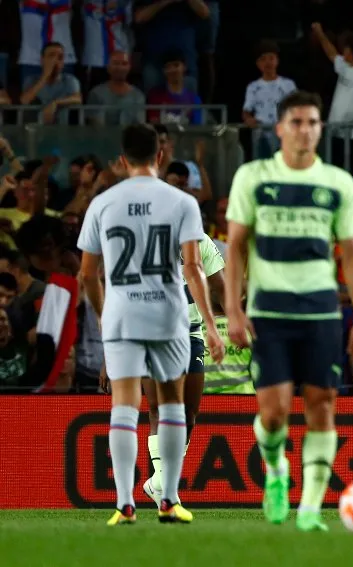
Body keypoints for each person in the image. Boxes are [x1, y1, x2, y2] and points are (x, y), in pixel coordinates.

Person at [224, 91, 353, 531]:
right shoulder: (253, 177)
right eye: (297, 122)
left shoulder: (338, 182)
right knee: (273, 413)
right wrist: (233, 309)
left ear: (320, 129)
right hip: (269, 311)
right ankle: (275, 470)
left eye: (312, 122)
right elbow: (235, 246)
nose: (305, 130)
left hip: (321, 311)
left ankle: (309, 509)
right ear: (280, 128)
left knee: (322, 405)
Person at [77, 123, 224, 525]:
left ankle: (124, 504)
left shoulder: (103, 203)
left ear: (122, 160)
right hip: (168, 316)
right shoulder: (181, 202)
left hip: (123, 316)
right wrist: (212, 327)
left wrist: (105, 318)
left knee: (125, 407)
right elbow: (192, 267)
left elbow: (88, 274)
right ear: (160, 156)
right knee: (172, 406)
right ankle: (169, 499)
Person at [142, 233, 225, 507]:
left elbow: (220, 286)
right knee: (161, 408)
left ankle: (158, 483)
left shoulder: (201, 241)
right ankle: (165, 486)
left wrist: (234, 319)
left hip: (191, 332)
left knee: (189, 414)